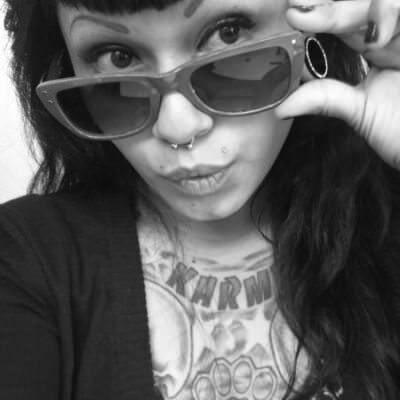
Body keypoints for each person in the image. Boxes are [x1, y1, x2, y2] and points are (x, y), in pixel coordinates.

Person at [1, 0, 400, 399]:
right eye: (118, 58)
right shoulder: (24, 257)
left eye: (227, 34)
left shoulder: (387, 215)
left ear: (312, 27)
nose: (179, 127)